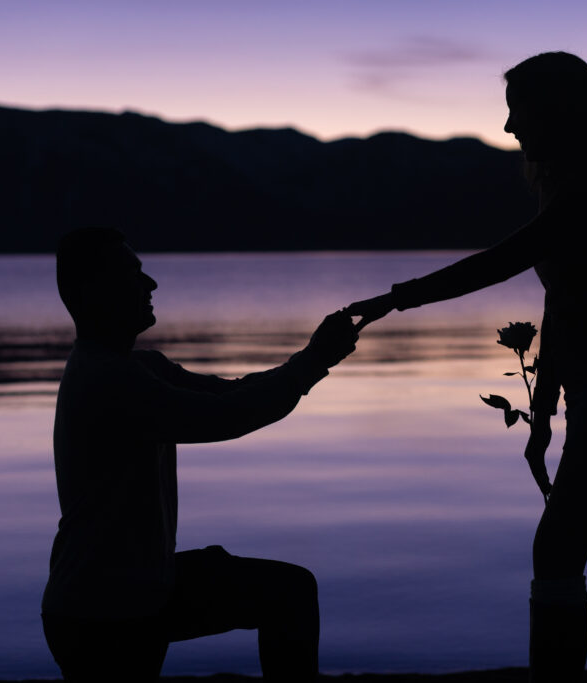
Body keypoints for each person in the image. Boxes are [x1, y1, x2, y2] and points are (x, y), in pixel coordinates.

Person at [346, 52, 587, 682]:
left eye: (517, 110)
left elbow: (506, 259)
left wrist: (396, 298)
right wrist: (545, 410)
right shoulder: (572, 181)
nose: (508, 126)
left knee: (558, 551)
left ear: (556, 110)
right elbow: (564, 303)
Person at [42, 227, 358, 682]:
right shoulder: (108, 381)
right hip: (101, 612)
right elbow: (227, 416)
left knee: (289, 591)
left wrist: (312, 358)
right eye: (133, 274)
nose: (150, 284)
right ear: (95, 292)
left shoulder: (138, 368)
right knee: (287, 593)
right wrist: (312, 362)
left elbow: (231, 392)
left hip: (140, 589)